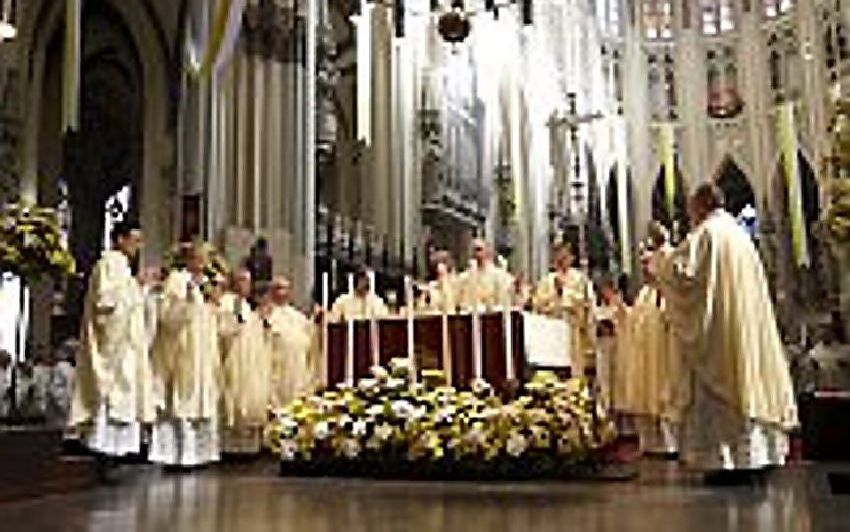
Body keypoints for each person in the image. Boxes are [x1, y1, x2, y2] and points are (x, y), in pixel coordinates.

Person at [651, 183, 798, 484]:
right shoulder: (740, 236)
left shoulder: (707, 234)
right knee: (747, 383)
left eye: (691, 208)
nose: (690, 215)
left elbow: (681, 274)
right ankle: (758, 456)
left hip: (718, 336)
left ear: (701, 206)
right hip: (744, 332)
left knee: (719, 394)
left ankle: (726, 461)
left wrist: (661, 255)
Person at [69, 219, 153, 462]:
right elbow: (104, 303)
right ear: (119, 239)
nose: (138, 246)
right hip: (114, 349)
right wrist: (136, 286)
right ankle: (103, 453)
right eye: (134, 240)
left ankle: (115, 455)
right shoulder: (108, 263)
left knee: (124, 400)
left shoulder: (123, 267)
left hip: (126, 346)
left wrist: (140, 289)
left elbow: (130, 304)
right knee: (112, 398)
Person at [149, 242, 222, 468]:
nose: (203, 263)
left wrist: (212, 303)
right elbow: (168, 318)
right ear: (188, 260)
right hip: (183, 351)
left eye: (205, 259)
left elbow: (210, 320)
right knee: (182, 402)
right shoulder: (177, 280)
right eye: (198, 258)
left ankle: (199, 454)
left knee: (200, 402)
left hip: (201, 353)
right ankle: (177, 455)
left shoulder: (205, 285)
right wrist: (189, 299)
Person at [618, 223, 683, 457]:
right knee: (645, 383)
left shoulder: (665, 287)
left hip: (663, 343)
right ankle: (649, 440)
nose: (645, 267)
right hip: (646, 342)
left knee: (663, 381)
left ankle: (670, 441)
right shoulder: (645, 294)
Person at [218, 268, 271, 454]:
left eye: (248, 281)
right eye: (242, 281)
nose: (246, 285)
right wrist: (237, 323)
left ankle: (246, 447)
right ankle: (231, 447)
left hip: (249, 362)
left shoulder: (245, 305)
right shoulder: (227, 302)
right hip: (233, 359)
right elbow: (223, 330)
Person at [533, 242, 596, 376]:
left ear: (571, 258)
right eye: (558, 255)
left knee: (573, 368)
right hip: (551, 333)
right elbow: (538, 304)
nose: (561, 259)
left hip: (573, 333)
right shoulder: (547, 280)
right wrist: (551, 302)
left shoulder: (579, 279)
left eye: (565, 256)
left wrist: (563, 292)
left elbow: (583, 303)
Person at [456, 239, 514, 311]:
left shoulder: (499, 275)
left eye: (479, 249)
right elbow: (459, 302)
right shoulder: (463, 278)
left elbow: (504, 299)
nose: (476, 253)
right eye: (473, 250)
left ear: (487, 251)